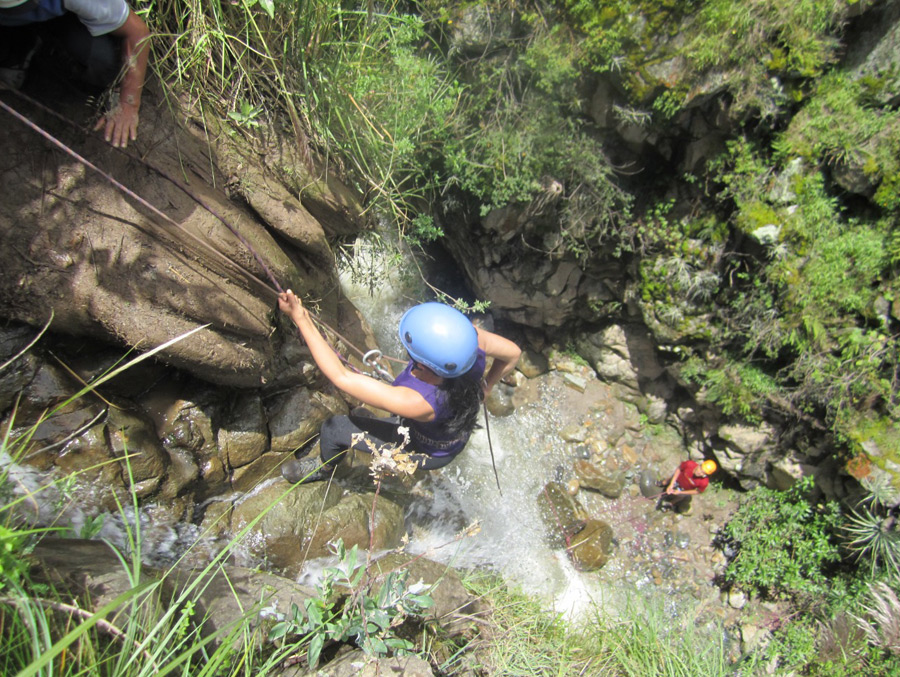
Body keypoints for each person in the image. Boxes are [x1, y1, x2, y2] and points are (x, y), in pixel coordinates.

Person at [277, 291, 522, 484]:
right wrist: (487, 387)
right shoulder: (470, 344)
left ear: (426, 366)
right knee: (379, 416)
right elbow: (513, 354)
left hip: (427, 451)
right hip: (448, 432)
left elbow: (342, 378)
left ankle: (325, 468)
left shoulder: (419, 402)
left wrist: (301, 318)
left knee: (334, 428)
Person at [0, 0, 150, 148]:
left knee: (102, 60)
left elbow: (137, 32)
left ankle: (50, 50)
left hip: (69, 16)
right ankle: (19, 45)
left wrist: (128, 104)